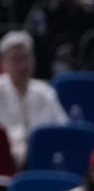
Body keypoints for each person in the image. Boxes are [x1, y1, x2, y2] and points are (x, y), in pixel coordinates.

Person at [0, 30, 66, 165]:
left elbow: (63, 127)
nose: (23, 65)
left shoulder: (46, 92)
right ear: (4, 64)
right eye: (16, 59)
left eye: (27, 57)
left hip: (42, 158)